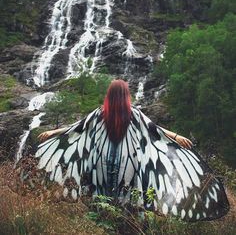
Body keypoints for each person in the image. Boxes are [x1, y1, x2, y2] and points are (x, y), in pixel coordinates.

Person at [36, 79, 229, 221]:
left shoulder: (99, 114)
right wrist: (176, 137)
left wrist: (53, 133)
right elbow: (157, 131)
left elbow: (75, 129)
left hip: (101, 164)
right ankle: (124, 221)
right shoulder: (133, 114)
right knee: (127, 196)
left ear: (109, 96)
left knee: (100, 197)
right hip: (127, 165)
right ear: (126, 96)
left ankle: (101, 221)